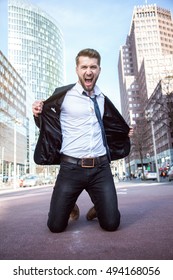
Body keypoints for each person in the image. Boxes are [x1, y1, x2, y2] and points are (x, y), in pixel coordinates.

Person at [32, 48, 133, 233]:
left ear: (99, 70)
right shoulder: (63, 96)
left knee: (111, 224)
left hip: (101, 168)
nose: (89, 71)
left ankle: (99, 208)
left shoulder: (103, 99)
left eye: (93, 67)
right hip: (70, 168)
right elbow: (48, 125)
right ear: (77, 70)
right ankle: (71, 204)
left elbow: (112, 127)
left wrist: (124, 133)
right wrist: (37, 112)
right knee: (55, 226)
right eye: (84, 66)